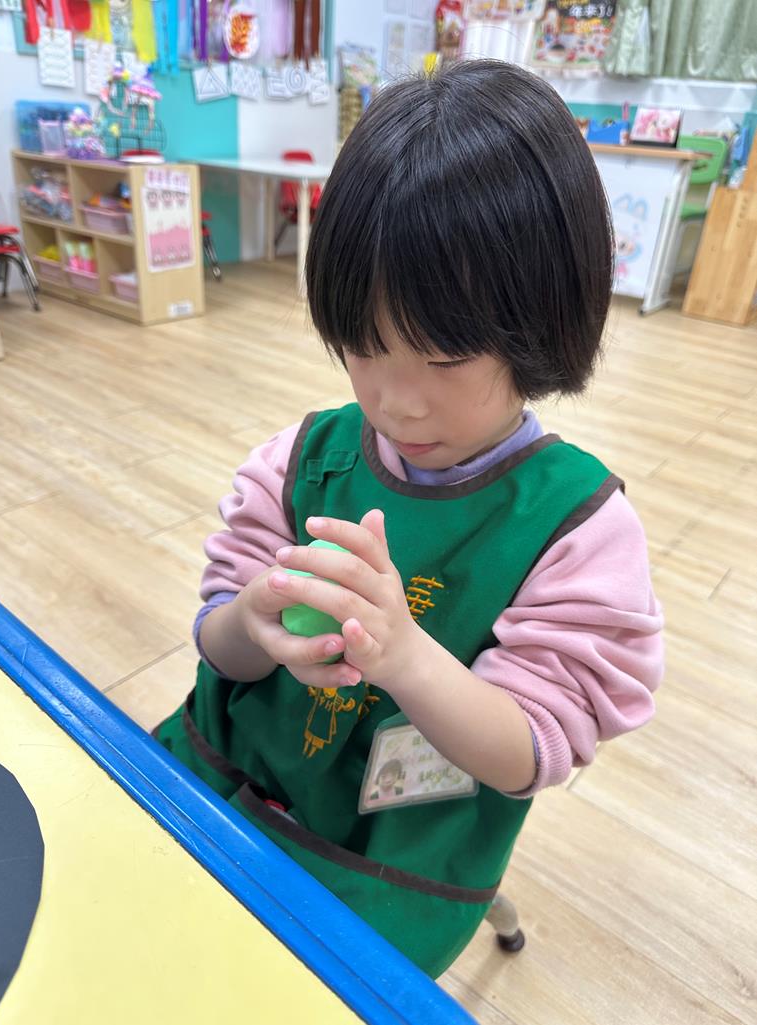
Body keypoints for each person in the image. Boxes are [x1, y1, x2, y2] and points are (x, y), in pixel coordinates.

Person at [153, 60, 663, 978]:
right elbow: (219, 646)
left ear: (544, 319)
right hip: (218, 778)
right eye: (362, 346)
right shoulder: (304, 461)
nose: (396, 402)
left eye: (443, 357)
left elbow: (527, 751)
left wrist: (402, 654)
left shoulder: (575, 527)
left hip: (384, 864)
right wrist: (252, 619)